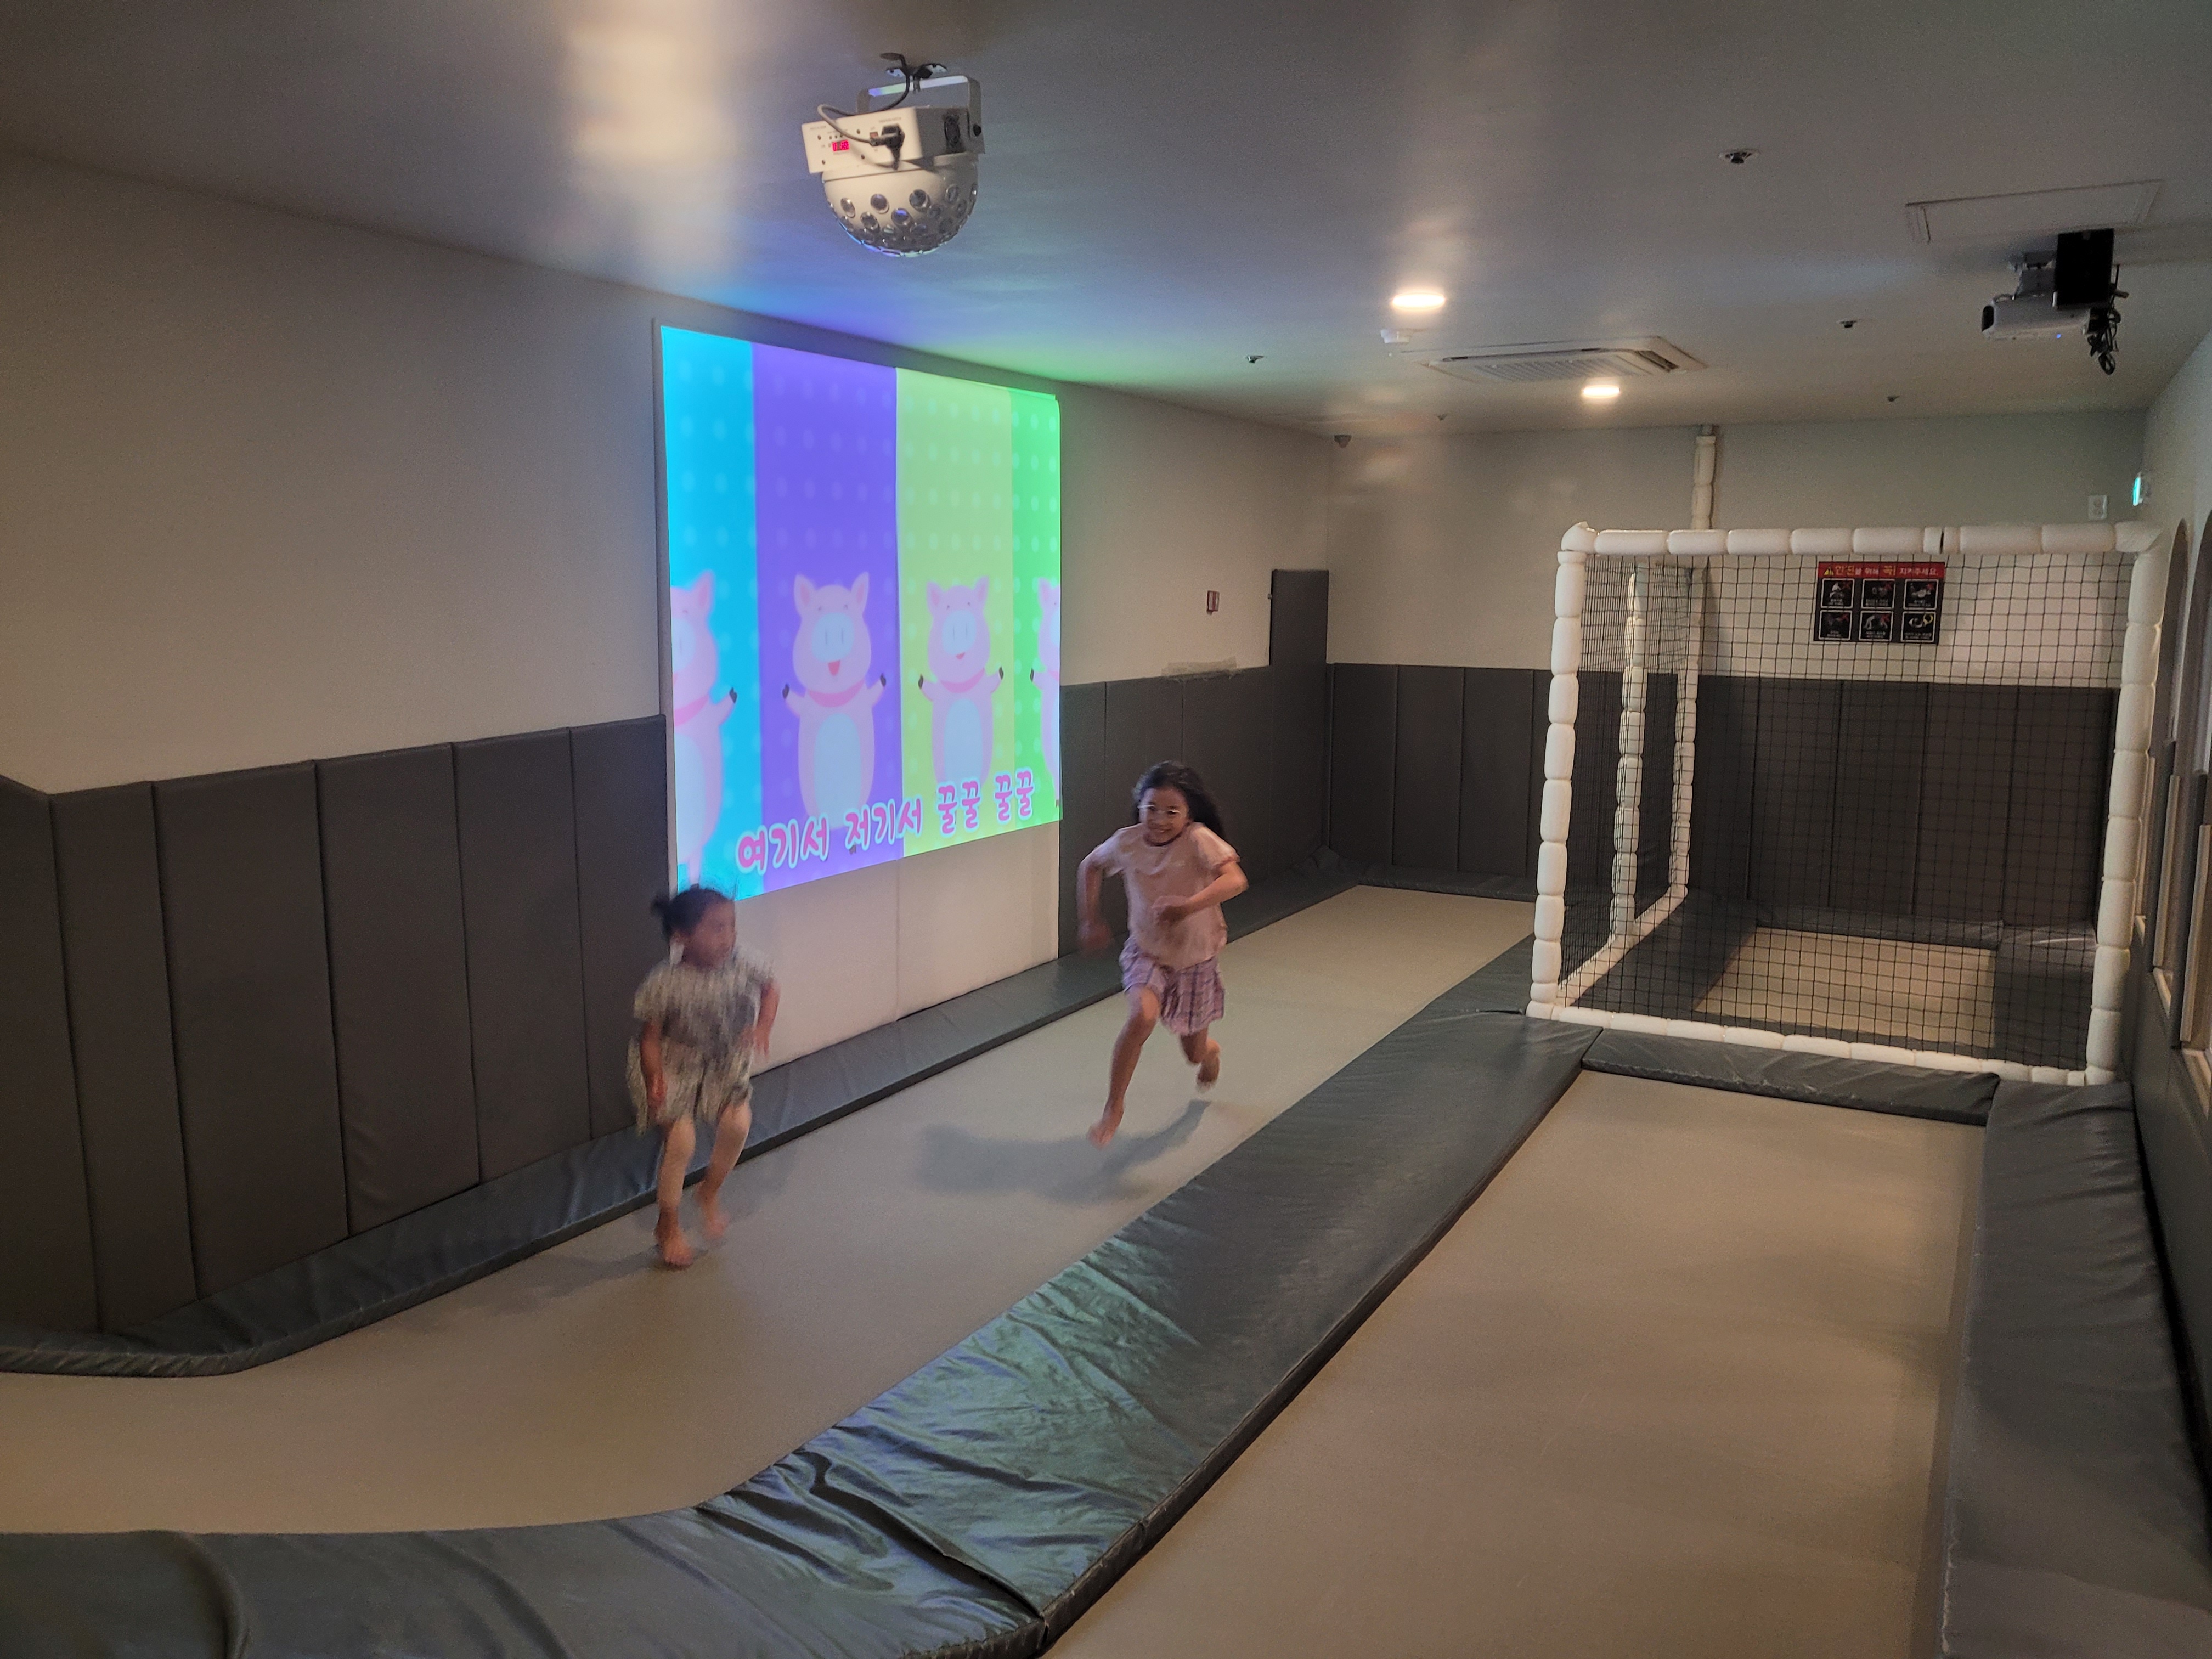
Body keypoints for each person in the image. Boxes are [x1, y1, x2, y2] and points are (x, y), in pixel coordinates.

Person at [1076, 761, 1247, 1147]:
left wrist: (1186, 907)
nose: (1159, 820)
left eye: (1172, 812)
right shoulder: (1127, 842)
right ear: (1139, 805)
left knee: (1193, 1051)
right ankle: (1114, 1108)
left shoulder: (1199, 839)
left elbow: (1235, 879)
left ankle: (1211, 1054)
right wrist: (1089, 919)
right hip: (1147, 952)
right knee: (1142, 1015)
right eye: (1151, 808)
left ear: (1188, 814)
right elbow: (1090, 866)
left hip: (1195, 959)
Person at [628, 886, 778, 1268]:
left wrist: (763, 1026)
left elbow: (770, 987)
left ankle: (708, 1192)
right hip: (673, 1067)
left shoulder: (742, 961)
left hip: (722, 1061)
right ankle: (667, 1225)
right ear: (683, 936)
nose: (728, 937)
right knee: (682, 1142)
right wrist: (654, 1077)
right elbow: (649, 1039)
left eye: (731, 926)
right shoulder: (665, 982)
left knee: (738, 1124)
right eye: (716, 928)